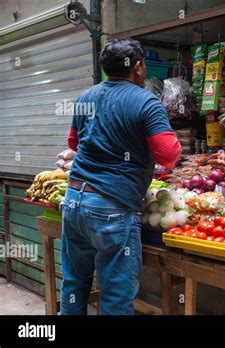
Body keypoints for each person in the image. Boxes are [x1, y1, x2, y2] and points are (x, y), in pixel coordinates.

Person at [61, 39, 181, 315]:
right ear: (138, 67)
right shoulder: (146, 101)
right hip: (111, 207)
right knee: (116, 296)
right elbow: (169, 156)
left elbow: (73, 143)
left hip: (74, 201)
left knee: (74, 285)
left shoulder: (85, 98)